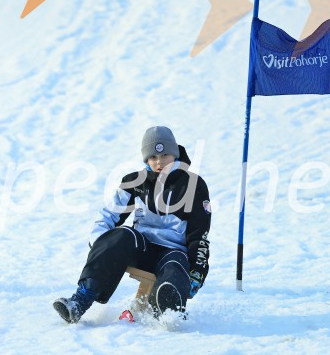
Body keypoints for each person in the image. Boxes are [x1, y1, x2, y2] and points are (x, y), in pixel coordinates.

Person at [53, 126, 211, 323]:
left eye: (165, 155)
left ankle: (168, 311)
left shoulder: (194, 185)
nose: (159, 162)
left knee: (176, 266)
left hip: (173, 251)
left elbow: (199, 234)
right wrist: (100, 245)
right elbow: (109, 216)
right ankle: (80, 301)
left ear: (175, 154)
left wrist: (198, 271)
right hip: (141, 249)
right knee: (122, 234)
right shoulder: (135, 181)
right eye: (153, 157)